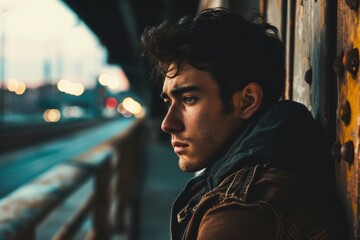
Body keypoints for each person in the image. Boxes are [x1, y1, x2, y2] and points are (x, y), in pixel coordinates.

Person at [141, 8, 347, 240]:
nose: (168, 124)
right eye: (169, 102)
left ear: (247, 101)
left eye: (189, 99)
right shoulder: (270, 172)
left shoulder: (238, 211)